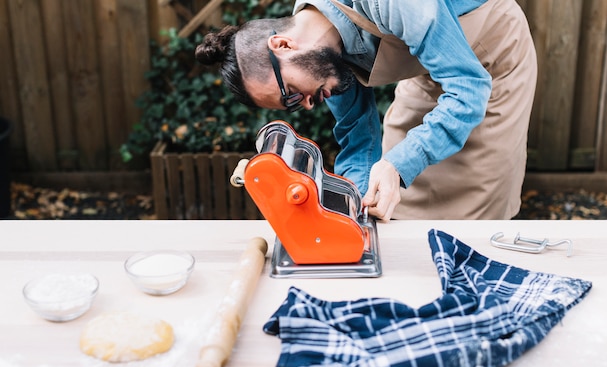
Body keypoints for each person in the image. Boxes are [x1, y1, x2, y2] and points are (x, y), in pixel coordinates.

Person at [195, 0, 537, 221]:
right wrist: (352, 208)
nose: (309, 103)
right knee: (390, 198)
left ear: (283, 45)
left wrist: (398, 165)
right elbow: (358, 137)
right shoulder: (322, 59)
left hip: (489, 64)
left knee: (474, 202)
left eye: (291, 95)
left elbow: (469, 88)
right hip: (427, 66)